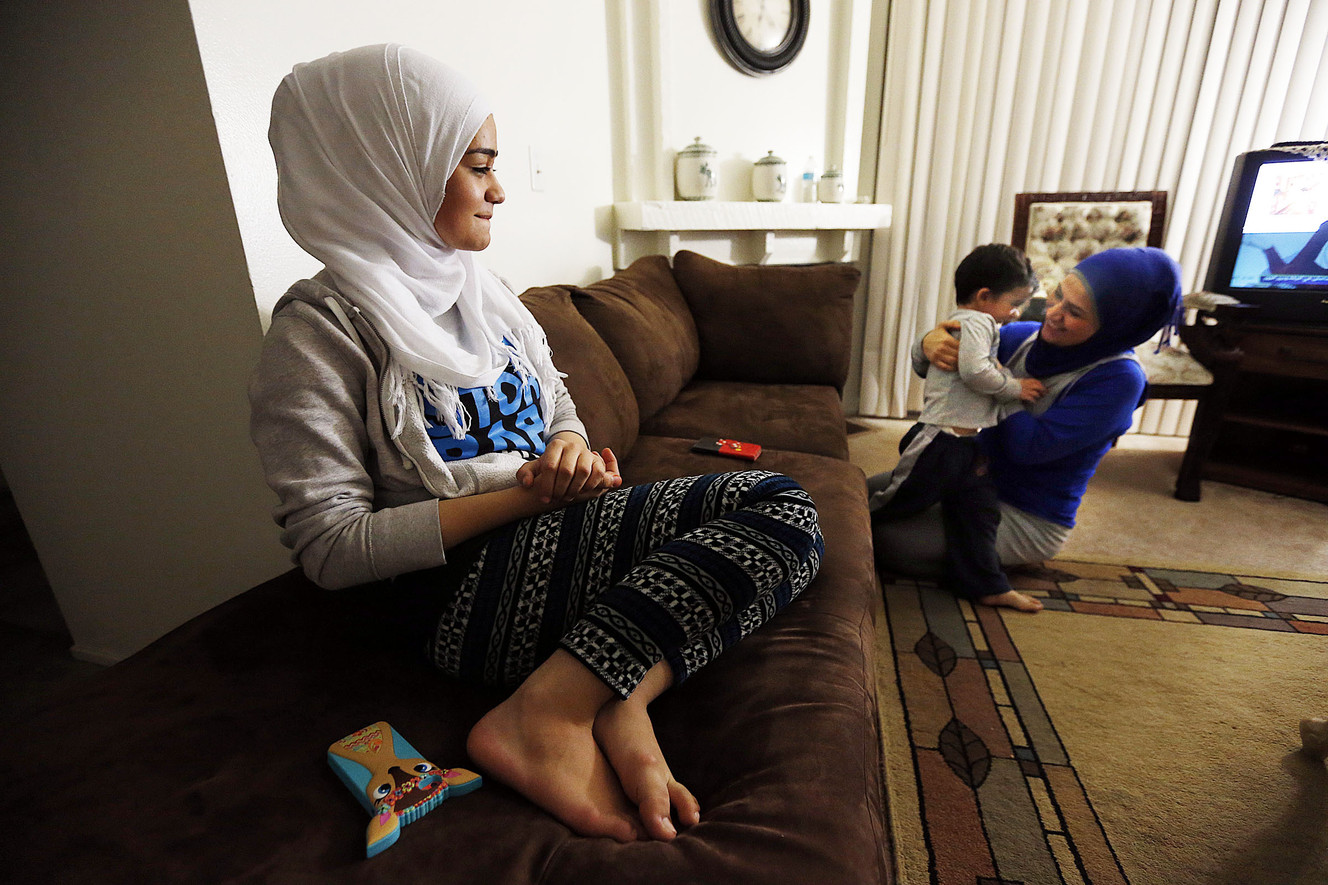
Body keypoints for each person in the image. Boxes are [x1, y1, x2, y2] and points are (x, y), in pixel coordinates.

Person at [251, 45, 824, 845]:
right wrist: (527, 494)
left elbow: (557, 402)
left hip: (551, 532)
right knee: (783, 509)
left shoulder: (481, 294)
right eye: (477, 165)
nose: (498, 189)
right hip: (447, 592)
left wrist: (570, 452)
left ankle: (611, 688)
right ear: (387, 167)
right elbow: (330, 546)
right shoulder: (319, 331)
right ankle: (546, 712)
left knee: (778, 531)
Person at [870, 246, 1183, 583]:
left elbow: (1028, 447)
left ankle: (987, 565)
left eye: (1074, 312)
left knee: (885, 542)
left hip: (1026, 512)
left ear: (1115, 327)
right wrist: (930, 342)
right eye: (1059, 294)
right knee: (860, 495)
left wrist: (1001, 385)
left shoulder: (1119, 380)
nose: (1053, 313)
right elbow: (953, 363)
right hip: (967, 479)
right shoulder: (1023, 337)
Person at [868, 244, 1046, 613]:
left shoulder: (978, 324)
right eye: (1015, 303)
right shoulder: (977, 322)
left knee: (980, 512)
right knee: (898, 500)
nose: (1017, 313)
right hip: (941, 439)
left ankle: (988, 584)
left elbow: (972, 368)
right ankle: (834, 529)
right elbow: (976, 372)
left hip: (968, 445)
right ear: (984, 297)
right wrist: (1016, 388)